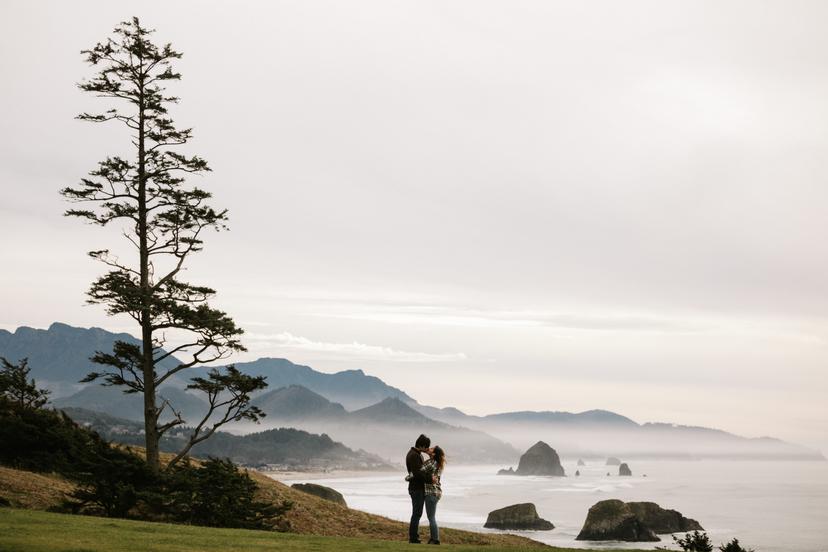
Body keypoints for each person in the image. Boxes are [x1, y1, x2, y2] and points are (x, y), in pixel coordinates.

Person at [406, 434, 431, 543]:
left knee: (417, 513)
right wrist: (430, 479)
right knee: (417, 513)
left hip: (416, 487)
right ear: (421, 446)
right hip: (416, 488)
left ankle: (414, 537)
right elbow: (417, 473)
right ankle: (413, 538)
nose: (427, 449)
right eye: (426, 447)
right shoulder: (414, 455)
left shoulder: (415, 454)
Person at [421, 446, 445, 545]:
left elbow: (418, 471)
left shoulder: (431, 462)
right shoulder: (438, 463)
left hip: (431, 492)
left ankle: (435, 539)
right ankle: (433, 538)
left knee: (431, 517)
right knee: (432, 517)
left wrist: (408, 477)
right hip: (436, 492)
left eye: (431, 449)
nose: (429, 448)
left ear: (434, 454)